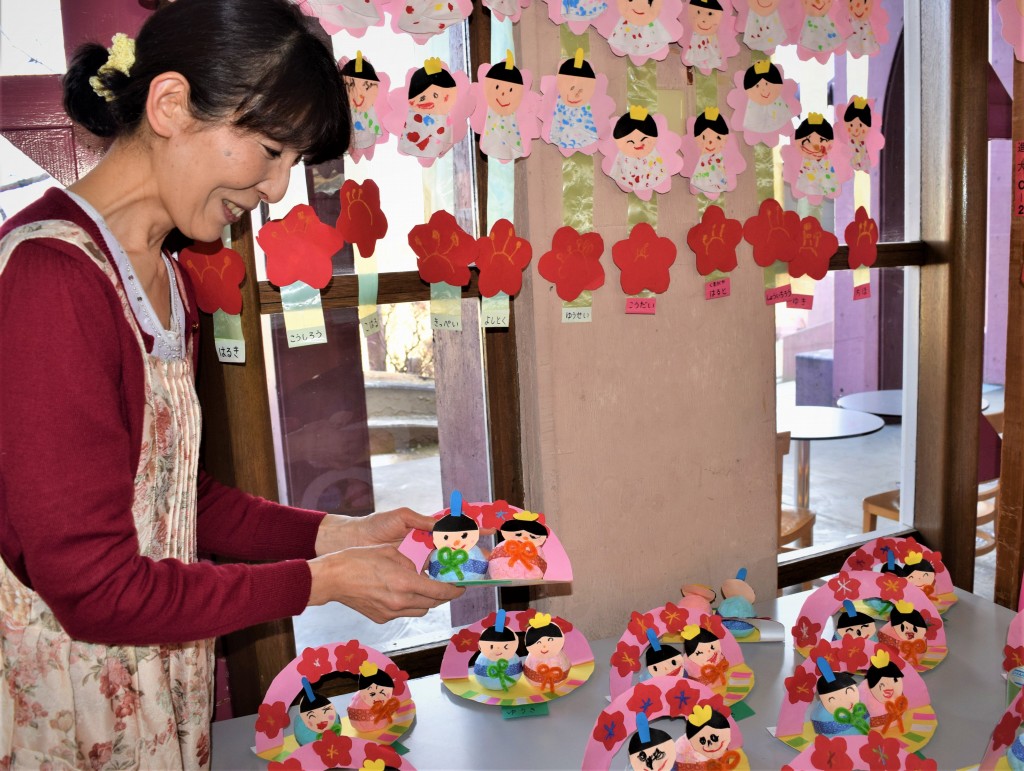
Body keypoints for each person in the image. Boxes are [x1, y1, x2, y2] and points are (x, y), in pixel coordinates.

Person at [0, 0, 463, 765]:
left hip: (153, 678)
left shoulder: (165, 275)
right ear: (172, 105)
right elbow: (95, 588)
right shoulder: (50, 281)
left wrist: (335, 534)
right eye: (271, 149)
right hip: (69, 705)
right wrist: (320, 580)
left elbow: (179, 495)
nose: (278, 189)